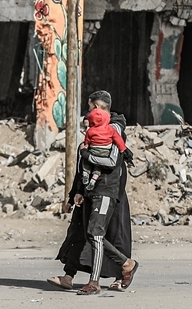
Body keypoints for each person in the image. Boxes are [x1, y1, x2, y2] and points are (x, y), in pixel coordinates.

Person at [48, 91, 138, 293]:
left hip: (108, 190)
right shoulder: (94, 129)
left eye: (90, 108)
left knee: (107, 234)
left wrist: (86, 153)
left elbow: (111, 161)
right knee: (82, 231)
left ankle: (117, 271)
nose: (88, 113)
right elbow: (83, 166)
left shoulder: (114, 130)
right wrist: (76, 192)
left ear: (97, 108)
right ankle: (69, 276)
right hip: (89, 189)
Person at [81, 107, 130, 192]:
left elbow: (87, 142)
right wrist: (123, 149)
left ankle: (86, 173)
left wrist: (84, 148)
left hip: (93, 151)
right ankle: (93, 180)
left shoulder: (90, 131)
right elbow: (118, 139)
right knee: (98, 166)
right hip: (105, 153)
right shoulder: (111, 129)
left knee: (86, 161)